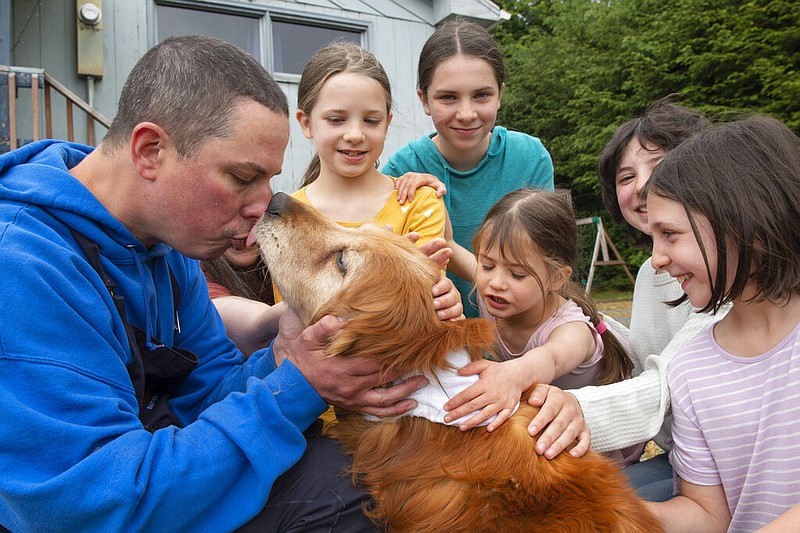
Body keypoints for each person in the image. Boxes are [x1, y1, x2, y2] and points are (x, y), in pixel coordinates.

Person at [0, 35, 466, 532]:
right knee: (352, 492)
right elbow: (88, 503)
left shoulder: (164, 242)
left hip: (152, 479)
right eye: (242, 177)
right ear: (150, 150)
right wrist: (298, 389)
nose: (262, 204)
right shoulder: (24, 266)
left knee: (363, 472)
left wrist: (283, 358)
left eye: (268, 179)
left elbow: (210, 390)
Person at [644, 115, 800, 532]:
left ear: (746, 222)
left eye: (670, 234)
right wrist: (606, 513)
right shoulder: (691, 369)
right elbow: (707, 514)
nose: (656, 258)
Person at [433, 188, 642, 466]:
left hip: (596, 443)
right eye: (487, 265)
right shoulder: (499, 292)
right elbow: (448, 243)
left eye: (517, 274)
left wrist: (512, 375)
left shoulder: (571, 329)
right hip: (544, 425)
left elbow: (550, 358)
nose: (496, 281)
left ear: (556, 277)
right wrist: (428, 191)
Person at [383, 18, 555, 318]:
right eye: (448, 97)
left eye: (481, 95)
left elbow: (542, 268)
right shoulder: (401, 171)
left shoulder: (530, 158)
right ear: (424, 99)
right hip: (438, 347)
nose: (466, 113)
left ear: (500, 94)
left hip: (522, 341)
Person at [289, 41, 445, 255]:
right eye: (336, 119)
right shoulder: (287, 216)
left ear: (387, 123)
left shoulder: (419, 204)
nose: (355, 135)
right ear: (306, 123)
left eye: (371, 121)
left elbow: (428, 288)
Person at [201, 246, 285, 357]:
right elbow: (255, 323)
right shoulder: (199, 280)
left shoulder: (283, 252)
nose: (245, 230)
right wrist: (305, 309)